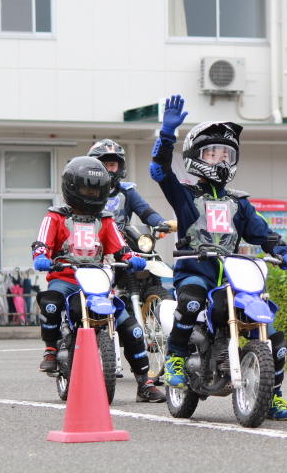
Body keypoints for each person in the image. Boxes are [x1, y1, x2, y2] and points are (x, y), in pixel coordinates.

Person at [149, 94, 287, 420]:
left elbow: (262, 233)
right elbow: (160, 171)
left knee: (272, 332)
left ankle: (272, 395)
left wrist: (282, 251)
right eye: (212, 152)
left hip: (232, 276)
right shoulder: (186, 195)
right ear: (195, 156)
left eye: (225, 153)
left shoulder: (239, 202)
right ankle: (176, 357)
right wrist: (166, 136)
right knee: (191, 300)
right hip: (195, 269)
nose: (219, 159)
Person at [32, 156, 166, 403]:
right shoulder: (56, 216)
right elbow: (42, 244)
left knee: (132, 328)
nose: (91, 193)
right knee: (51, 302)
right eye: (86, 188)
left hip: (99, 280)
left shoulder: (105, 219)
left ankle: (144, 383)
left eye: (96, 189)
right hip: (66, 278)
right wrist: (41, 255)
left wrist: (133, 257)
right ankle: (51, 349)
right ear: (71, 187)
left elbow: (120, 247)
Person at [87, 139, 177, 233]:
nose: (109, 169)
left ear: (120, 167)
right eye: (104, 164)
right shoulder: (83, 190)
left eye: (112, 165)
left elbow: (146, 212)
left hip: (120, 243)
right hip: (89, 240)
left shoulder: (126, 191)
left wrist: (162, 222)